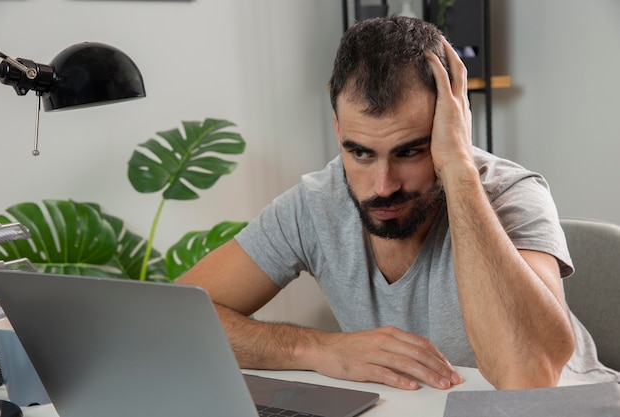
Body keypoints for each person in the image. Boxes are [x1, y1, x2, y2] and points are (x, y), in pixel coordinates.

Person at [177, 16, 615, 390]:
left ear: (451, 128)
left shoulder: (513, 193)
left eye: (410, 151)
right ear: (337, 130)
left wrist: (459, 170)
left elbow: (527, 379)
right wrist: (318, 348)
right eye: (360, 152)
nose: (382, 186)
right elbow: (179, 319)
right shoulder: (315, 203)